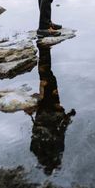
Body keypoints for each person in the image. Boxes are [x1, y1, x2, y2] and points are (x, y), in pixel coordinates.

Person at [30, 42, 75, 174]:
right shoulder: (53, 150)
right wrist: (68, 116)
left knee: (47, 77)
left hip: (49, 113)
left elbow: (60, 132)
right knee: (47, 77)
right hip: (48, 113)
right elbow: (61, 132)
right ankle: (43, 50)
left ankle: (44, 50)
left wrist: (68, 116)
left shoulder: (49, 151)